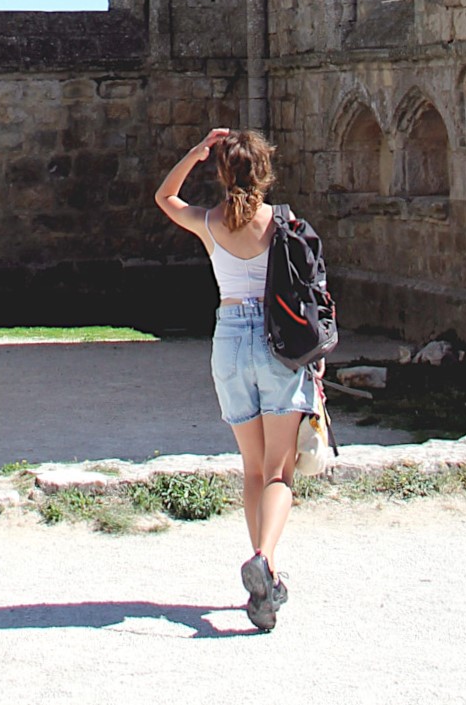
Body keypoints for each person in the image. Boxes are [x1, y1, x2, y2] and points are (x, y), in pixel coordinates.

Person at [154, 125, 316, 631]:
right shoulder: (284, 225)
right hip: (276, 344)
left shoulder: (210, 222)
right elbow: (310, 296)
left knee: (251, 469)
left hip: (229, 342)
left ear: (223, 174)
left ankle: (261, 578)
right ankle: (265, 561)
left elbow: (165, 196)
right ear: (266, 173)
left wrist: (196, 152)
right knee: (278, 473)